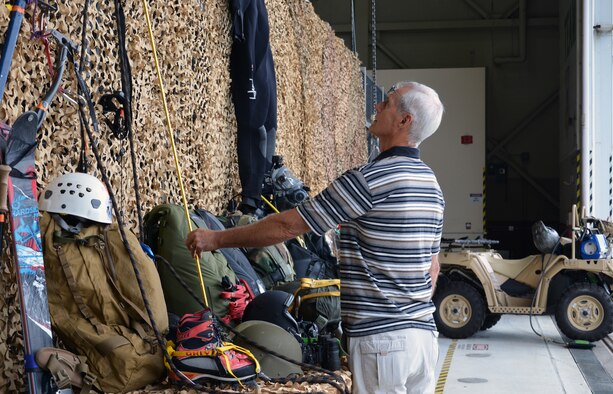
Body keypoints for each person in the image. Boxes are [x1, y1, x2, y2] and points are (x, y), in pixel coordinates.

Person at [186, 81, 445, 394]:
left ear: (405, 121)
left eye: (386, 103)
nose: (376, 107)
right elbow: (432, 266)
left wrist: (215, 239)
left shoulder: (369, 180)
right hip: (424, 339)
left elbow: (288, 227)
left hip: (383, 340)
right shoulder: (431, 184)